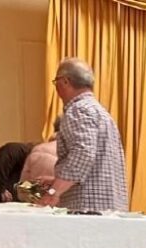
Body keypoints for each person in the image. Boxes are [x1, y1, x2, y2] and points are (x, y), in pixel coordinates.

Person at [39, 57, 128, 212]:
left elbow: (83, 153)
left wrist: (54, 192)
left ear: (65, 82)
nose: (56, 86)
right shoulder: (102, 113)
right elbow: (95, 166)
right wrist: (57, 181)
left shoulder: (78, 110)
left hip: (87, 207)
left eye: (56, 81)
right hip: (109, 205)